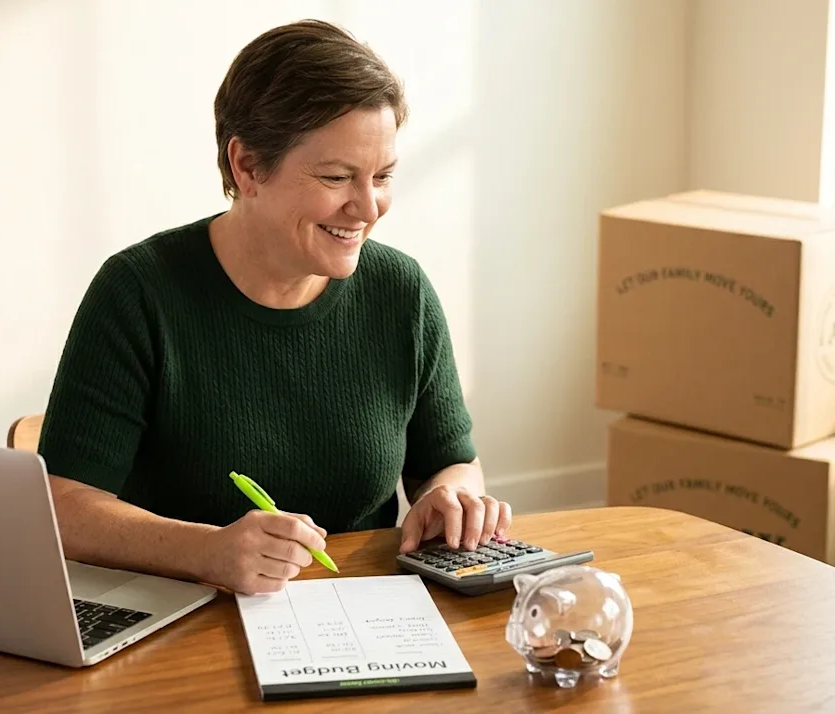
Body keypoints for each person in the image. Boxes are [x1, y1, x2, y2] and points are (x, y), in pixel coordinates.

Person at [37, 19, 513, 596]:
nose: (368, 207)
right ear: (248, 167)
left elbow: (451, 462)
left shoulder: (401, 290)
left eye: (382, 176)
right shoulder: (138, 292)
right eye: (337, 177)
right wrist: (207, 552)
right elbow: (63, 508)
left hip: (364, 615)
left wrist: (452, 496)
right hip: (185, 619)